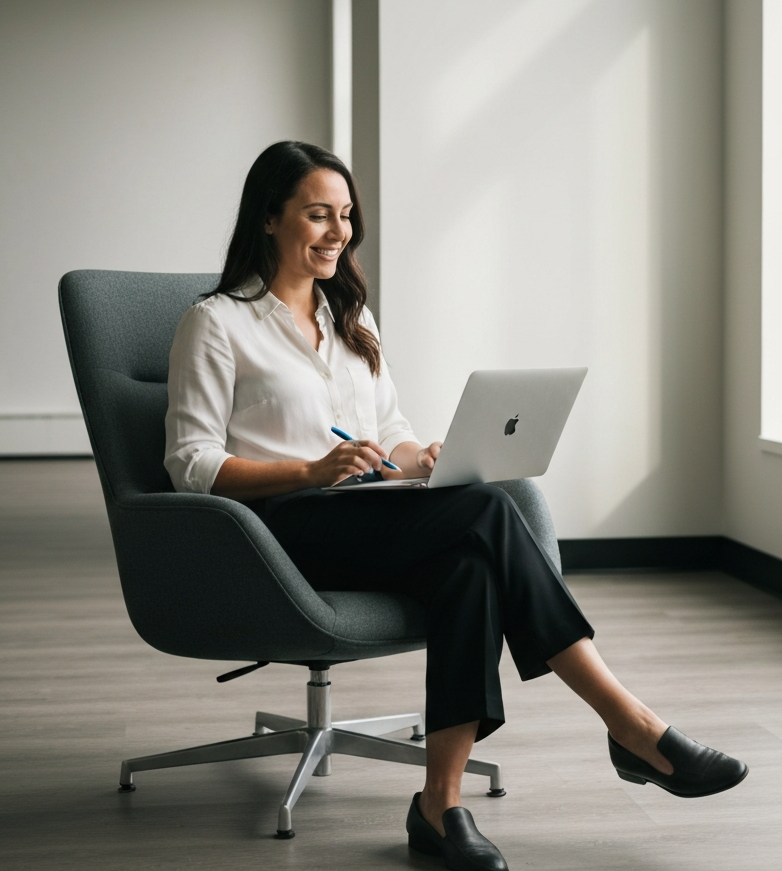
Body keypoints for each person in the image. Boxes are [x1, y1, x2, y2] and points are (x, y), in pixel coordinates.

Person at [164, 141, 748, 871]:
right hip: (280, 529)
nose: (338, 232)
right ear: (270, 218)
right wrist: (311, 469)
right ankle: (629, 723)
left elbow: (390, 434)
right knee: (488, 514)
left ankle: (440, 805)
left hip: (367, 513)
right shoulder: (216, 323)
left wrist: (422, 459)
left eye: (346, 216)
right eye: (318, 215)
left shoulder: (353, 319)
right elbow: (192, 467)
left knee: (471, 560)